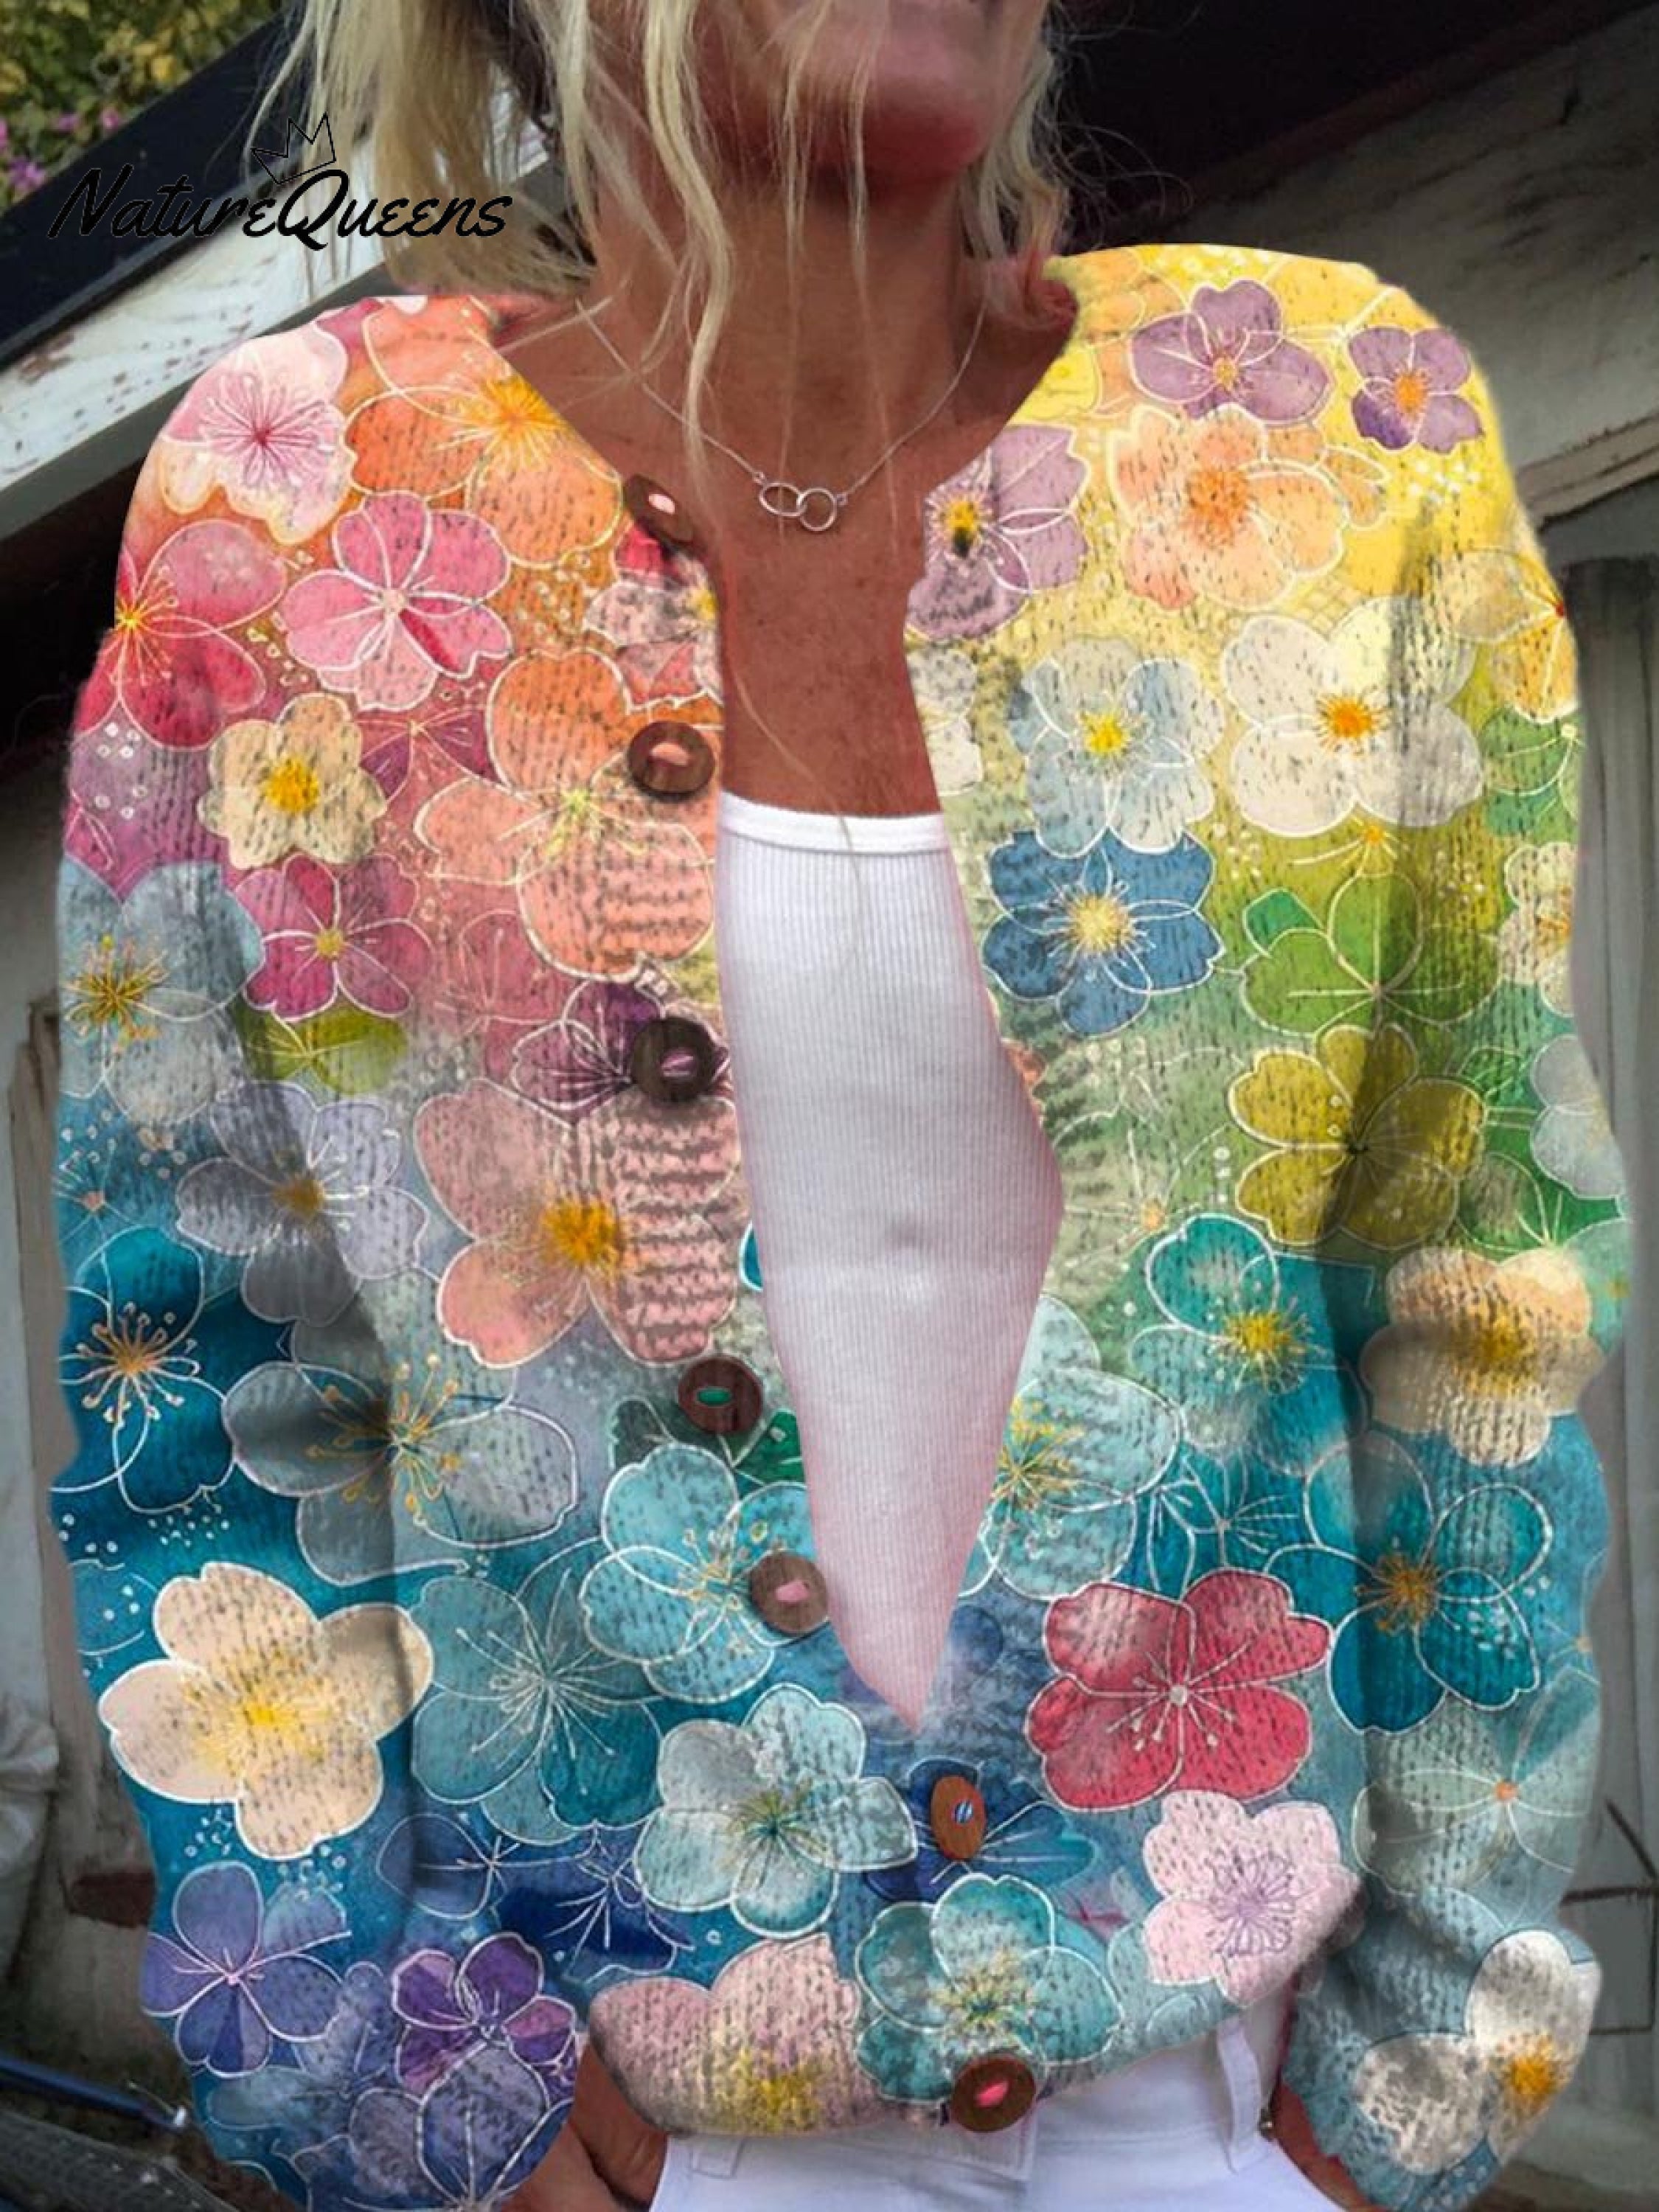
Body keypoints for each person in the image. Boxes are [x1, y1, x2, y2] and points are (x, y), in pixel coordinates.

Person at [46, 4, 1629, 2212]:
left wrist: (1418, 2081)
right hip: (609, 2132)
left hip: (1228, 2122)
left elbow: (1476, 1292)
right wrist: (382, 2078)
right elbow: (208, 1381)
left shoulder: (1330, 438)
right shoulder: (303, 505)